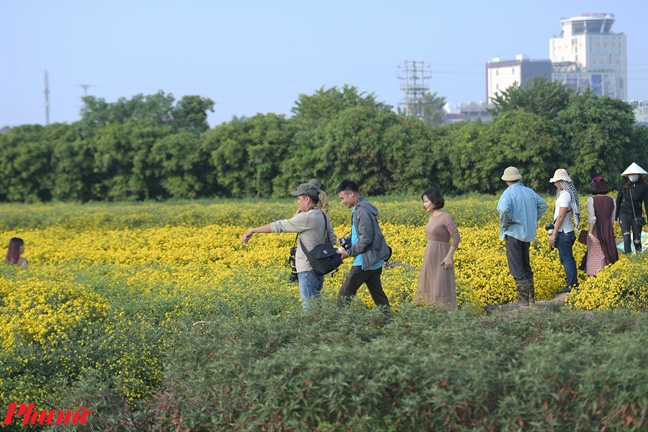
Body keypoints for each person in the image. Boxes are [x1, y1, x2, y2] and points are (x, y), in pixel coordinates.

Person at [241, 183, 337, 310]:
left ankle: (314, 330)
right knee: (316, 308)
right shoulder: (322, 216)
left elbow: (278, 226)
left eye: (299, 198)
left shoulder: (306, 218)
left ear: (307, 199)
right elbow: (333, 239)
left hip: (307, 269)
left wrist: (253, 230)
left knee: (310, 312)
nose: (298, 202)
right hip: (319, 269)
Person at [335, 180, 392, 313]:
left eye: (342, 198)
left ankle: (336, 326)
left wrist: (349, 253)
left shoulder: (362, 211)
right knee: (379, 297)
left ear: (351, 194)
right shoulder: (363, 208)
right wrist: (349, 240)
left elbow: (366, 239)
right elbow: (363, 234)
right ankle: (390, 322)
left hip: (364, 261)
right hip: (373, 261)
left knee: (343, 296)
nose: (342, 202)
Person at [496, 167, 548, 306]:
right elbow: (543, 205)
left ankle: (523, 301)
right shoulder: (529, 191)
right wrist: (531, 219)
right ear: (518, 178)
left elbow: (503, 209)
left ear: (506, 180)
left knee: (516, 266)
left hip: (513, 232)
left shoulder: (508, 193)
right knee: (525, 264)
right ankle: (531, 299)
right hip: (527, 233)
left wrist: (505, 223)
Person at [414, 188, 461, 309]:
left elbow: (456, 237)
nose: (424, 205)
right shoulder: (431, 217)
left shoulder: (445, 217)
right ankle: (435, 316)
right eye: (424, 202)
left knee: (440, 288)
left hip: (442, 256)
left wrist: (448, 257)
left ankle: (446, 317)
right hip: (430, 255)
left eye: (426, 201)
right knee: (430, 285)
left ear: (434, 200)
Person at [549, 169, 581, 294]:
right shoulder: (566, 194)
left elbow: (561, 216)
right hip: (567, 231)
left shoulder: (565, 195)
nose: (555, 184)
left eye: (556, 181)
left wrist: (554, 234)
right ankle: (572, 283)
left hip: (564, 233)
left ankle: (572, 285)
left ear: (562, 182)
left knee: (567, 259)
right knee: (567, 258)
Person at [581, 176, 618, 276]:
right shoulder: (612, 200)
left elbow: (592, 218)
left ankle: (595, 276)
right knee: (608, 251)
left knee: (595, 253)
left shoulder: (591, 200)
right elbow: (612, 218)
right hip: (608, 229)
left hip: (596, 229)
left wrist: (590, 233)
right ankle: (608, 274)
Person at [615, 162, 648, 254]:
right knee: (626, 238)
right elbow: (618, 201)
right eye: (630, 174)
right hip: (624, 214)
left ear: (639, 175)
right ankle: (628, 257)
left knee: (637, 240)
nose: (632, 175)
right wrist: (615, 217)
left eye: (634, 174)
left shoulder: (644, 187)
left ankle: (638, 257)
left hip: (636, 215)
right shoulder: (623, 185)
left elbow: (646, 204)